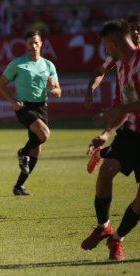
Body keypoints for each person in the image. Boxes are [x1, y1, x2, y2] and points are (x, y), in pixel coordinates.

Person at [80, 18, 140, 261]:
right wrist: (105, 133)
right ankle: (103, 225)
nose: (105, 51)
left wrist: (119, 110)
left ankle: (117, 239)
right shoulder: (120, 64)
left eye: (105, 46)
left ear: (114, 42)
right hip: (132, 133)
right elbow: (123, 108)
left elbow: (124, 106)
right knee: (106, 172)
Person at [0, 29, 61, 196]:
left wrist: (53, 89)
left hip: (42, 107)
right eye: (30, 43)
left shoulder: (48, 65)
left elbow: (57, 92)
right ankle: (22, 152)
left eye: (36, 43)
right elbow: (1, 84)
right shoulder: (17, 64)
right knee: (45, 134)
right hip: (24, 107)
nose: (33, 46)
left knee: (37, 148)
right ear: (25, 45)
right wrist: (12, 101)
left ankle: (19, 186)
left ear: (41, 44)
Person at [85, 14, 140, 174]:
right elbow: (99, 71)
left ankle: (100, 153)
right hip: (125, 114)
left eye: (139, 29)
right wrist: (90, 91)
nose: (136, 33)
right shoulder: (117, 56)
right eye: (132, 29)